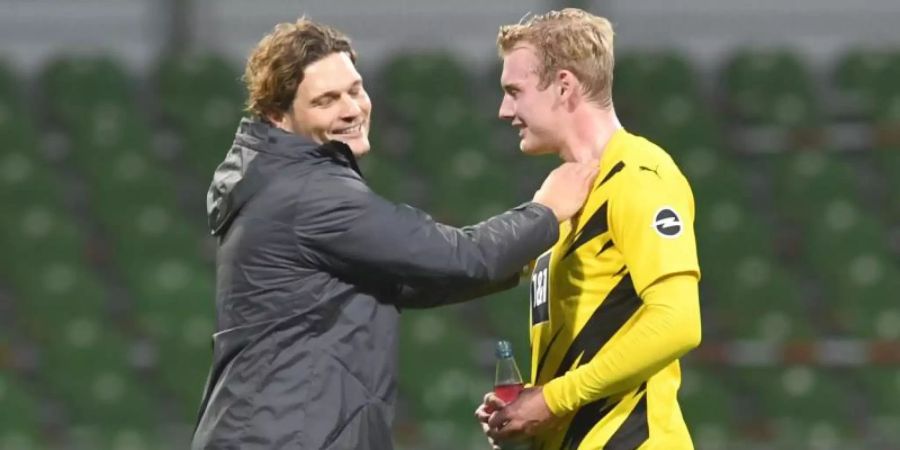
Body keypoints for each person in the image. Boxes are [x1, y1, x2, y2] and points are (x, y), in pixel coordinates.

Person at [191, 17, 599, 450]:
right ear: (278, 115)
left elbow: (404, 280)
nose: (352, 109)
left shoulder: (278, 182)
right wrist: (546, 212)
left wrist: (524, 260)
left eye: (354, 89)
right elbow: (456, 256)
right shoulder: (309, 193)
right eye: (326, 100)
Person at [475, 8, 703, 450]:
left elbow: (679, 322)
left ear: (564, 85)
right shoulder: (564, 197)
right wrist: (529, 409)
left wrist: (553, 400)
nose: (505, 111)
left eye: (514, 91)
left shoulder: (639, 174)